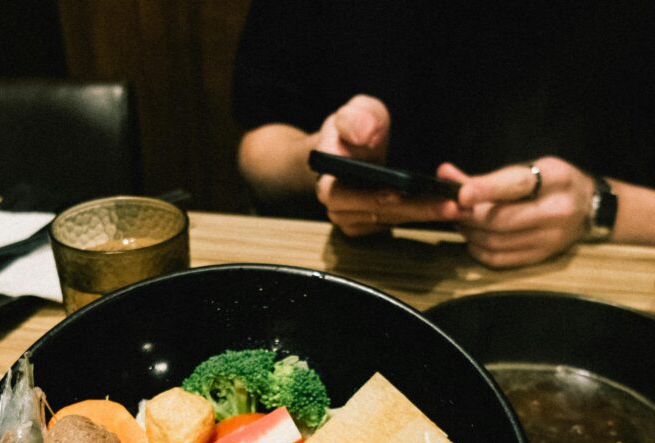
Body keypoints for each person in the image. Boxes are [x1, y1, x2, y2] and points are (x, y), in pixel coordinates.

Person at [232, 1, 655, 267]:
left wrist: (595, 206)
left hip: (590, 278)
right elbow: (259, 148)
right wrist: (323, 162)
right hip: (366, 273)